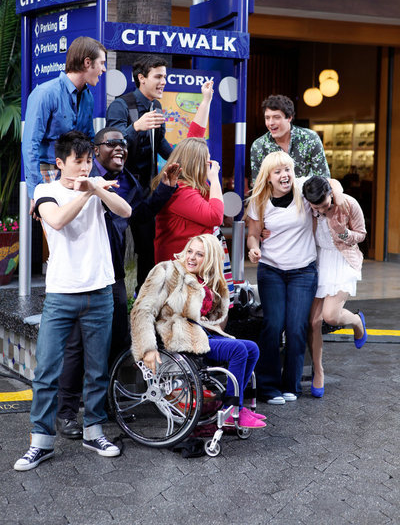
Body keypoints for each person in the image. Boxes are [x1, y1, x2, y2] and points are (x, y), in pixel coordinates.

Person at [14, 131, 131, 471]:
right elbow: (57, 221)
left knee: (96, 371)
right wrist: (88, 191)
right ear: (60, 163)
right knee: (48, 369)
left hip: (100, 291)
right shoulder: (45, 191)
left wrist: (96, 188)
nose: (84, 167)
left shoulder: (99, 186)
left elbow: (126, 210)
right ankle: (41, 442)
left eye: (87, 160)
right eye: (77, 161)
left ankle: (94, 431)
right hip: (62, 294)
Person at [55, 127, 180, 440]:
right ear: (96, 150)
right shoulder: (83, 177)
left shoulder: (130, 182)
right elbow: (57, 204)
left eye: (124, 144)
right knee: (76, 348)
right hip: (80, 277)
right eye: (112, 143)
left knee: (113, 342)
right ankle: (67, 412)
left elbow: (136, 215)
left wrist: (164, 189)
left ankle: (107, 404)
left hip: (112, 276)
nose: (120, 148)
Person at [131, 234, 266, 429]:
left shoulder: (204, 279)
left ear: (209, 259)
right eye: (190, 251)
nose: (191, 257)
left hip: (200, 333)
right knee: (238, 350)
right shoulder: (166, 271)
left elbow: (213, 317)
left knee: (252, 348)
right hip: (178, 337)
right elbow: (141, 310)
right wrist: (147, 349)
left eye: (200, 254)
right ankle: (231, 409)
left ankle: (237, 405)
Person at [107, 60, 214, 290]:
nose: (163, 82)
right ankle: (118, 300)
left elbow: (161, 145)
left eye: (164, 77)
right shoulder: (120, 106)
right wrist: (135, 127)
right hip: (123, 189)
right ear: (141, 78)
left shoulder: (157, 107)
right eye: (158, 77)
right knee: (115, 247)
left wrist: (184, 157)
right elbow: (111, 148)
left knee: (148, 249)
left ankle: (146, 298)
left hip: (150, 190)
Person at [246, 151, 328, 405]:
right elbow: (253, 234)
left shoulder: (303, 190)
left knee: (295, 326)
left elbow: (331, 186)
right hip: (271, 270)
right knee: (273, 324)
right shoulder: (259, 200)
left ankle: (291, 385)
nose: (285, 175)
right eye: (278, 171)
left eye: (288, 170)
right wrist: (253, 248)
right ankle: (268, 387)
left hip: (303, 271)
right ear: (268, 177)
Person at [22, 36, 107, 212]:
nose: (104, 69)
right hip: (48, 171)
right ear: (87, 62)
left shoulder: (88, 97)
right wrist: (36, 191)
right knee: (53, 233)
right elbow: (30, 144)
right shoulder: (45, 93)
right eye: (102, 63)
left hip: (75, 174)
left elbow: (88, 140)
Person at [302, 176, 367, 398]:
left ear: (331, 193)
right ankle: (318, 371)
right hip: (318, 262)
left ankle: (357, 320)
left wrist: (345, 234)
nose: (320, 210)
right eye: (315, 206)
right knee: (313, 321)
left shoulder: (347, 204)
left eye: (324, 205)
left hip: (343, 261)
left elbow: (361, 234)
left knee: (330, 316)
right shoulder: (310, 204)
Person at [152, 137, 224, 264]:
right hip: (179, 270)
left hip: (188, 267)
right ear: (197, 163)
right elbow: (216, 216)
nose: (210, 163)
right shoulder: (181, 191)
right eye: (207, 159)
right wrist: (214, 180)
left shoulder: (191, 187)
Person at [250, 94, 330, 184]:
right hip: (274, 197)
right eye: (267, 118)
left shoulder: (310, 138)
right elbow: (258, 184)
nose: (270, 123)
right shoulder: (258, 146)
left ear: (289, 118)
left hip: (306, 196)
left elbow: (323, 178)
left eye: (276, 117)